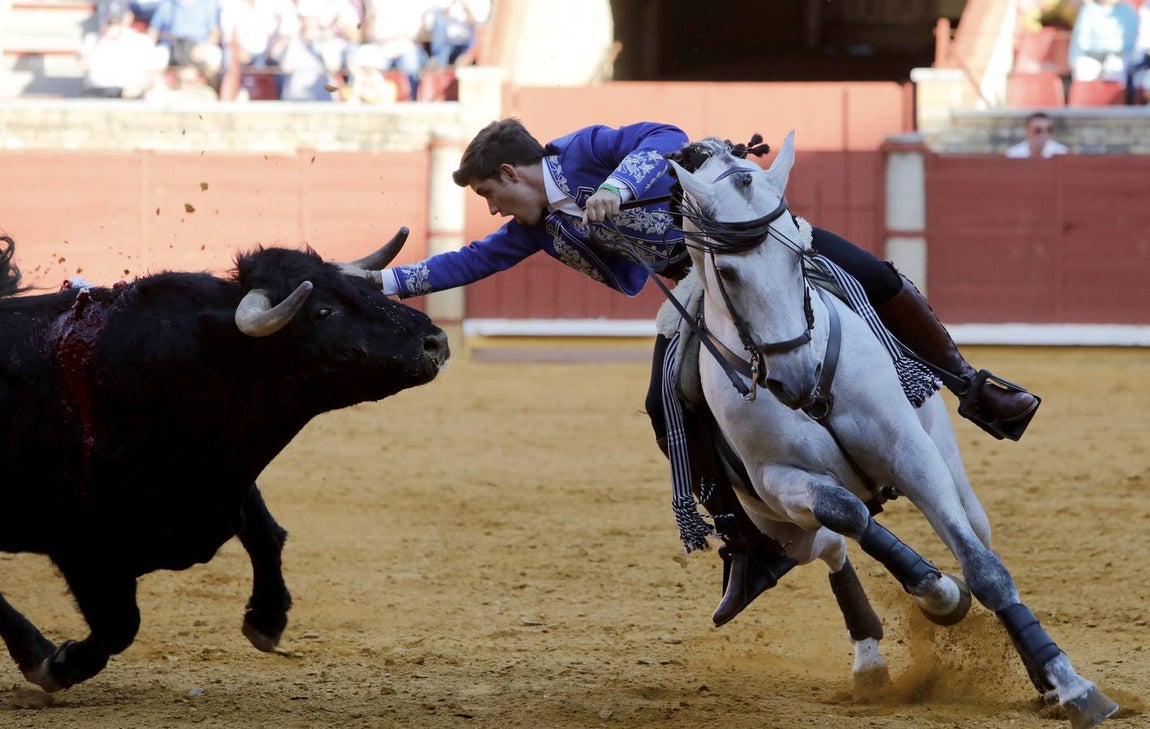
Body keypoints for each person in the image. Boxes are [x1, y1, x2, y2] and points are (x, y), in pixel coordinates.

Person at [344, 118, 1041, 626]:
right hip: (698, 287)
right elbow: (465, 262)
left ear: (511, 173)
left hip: (753, 244)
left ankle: (969, 384)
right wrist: (376, 284)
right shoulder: (535, 229)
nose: (493, 209)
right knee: (664, 402)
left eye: (489, 195)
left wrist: (615, 187)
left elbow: (662, 137)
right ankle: (746, 543)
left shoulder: (584, 149)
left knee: (875, 276)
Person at [1067, 0, 1139, 93]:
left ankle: (1116, 100)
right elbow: (1079, 42)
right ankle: (1084, 100)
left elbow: (1132, 44)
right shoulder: (1089, 9)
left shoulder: (1128, 10)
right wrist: (1075, 61)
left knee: (1115, 68)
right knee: (1083, 69)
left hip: (1119, 57)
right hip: (1092, 57)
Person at [1005, 111, 1070, 158]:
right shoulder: (1014, 154)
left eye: (1049, 130)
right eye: (1038, 130)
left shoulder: (1062, 153)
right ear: (1027, 131)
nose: (1044, 134)